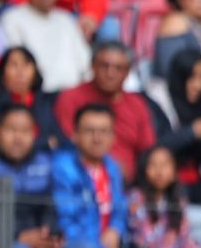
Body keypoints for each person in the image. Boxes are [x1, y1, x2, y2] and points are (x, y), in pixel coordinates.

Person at [0, 104, 97, 248]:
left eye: (25, 131)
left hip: (39, 244)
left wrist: (50, 235)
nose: (18, 138)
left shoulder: (43, 161)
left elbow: (50, 207)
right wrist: (18, 237)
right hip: (1, 244)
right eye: (11, 130)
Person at [54, 42, 156, 182]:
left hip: (130, 185)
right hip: (79, 181)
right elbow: (69, 142)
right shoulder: (70, 98)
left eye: (118, 68)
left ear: (128, 72)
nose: (110, 74)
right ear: (92, 66)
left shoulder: (137, 104)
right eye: (104, 66)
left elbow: (148, 152)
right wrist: (109, 166)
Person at [51, 104, 130, 248]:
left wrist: (116, 230)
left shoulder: (113, 167)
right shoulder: (63, 168)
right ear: (75, 135)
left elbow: (120, 209)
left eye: (104, 132)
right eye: (89, 131)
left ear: (113, 137)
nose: (97, 138)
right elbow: (66, 224)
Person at [0, 0, 92, 93]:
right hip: (37, 95)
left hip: (72, 95)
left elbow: (86, 65)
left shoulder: (66, 20)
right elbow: (16, 66)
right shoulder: (12, 19)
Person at [146, 50, 201, 194]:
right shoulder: (156, 101)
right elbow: (154, 145)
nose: (199, 85)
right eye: (192, 77)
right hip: (165, 185)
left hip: (200, 182)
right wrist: (191, 132)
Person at [126, 146, 201, 248]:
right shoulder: (136, 198)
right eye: (153, 165)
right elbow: (146, 243)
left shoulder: (178, 201)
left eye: (164, 165)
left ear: (174, 172)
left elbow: (185, 240)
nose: (159, 171)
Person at [0, 47, 61, 150]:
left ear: (35, 71)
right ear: (2, 73)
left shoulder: (50, 102)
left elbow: (58, 139)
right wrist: (45, 143)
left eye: (26, 65)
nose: (20, 72)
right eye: (13, 65)